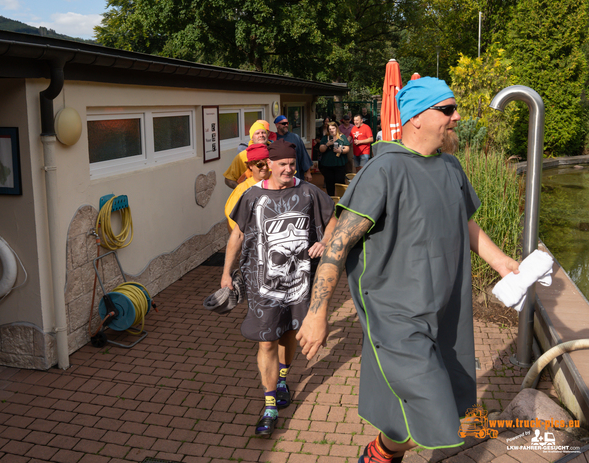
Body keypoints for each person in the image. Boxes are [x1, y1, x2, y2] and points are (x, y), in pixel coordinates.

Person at [296, 77, 520, 463]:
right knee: (441, 425)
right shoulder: (383, 171)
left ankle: (385, 452)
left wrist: (501, 263)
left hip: (446, 312)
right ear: (416, 118)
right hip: (398, 318)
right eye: (447, 109)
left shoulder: (450, 166)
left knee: (427, 409)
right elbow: (338, 243)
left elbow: (464, 221)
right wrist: (317, 315)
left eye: (454, 108)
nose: (457, 116)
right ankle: (381, 452)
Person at [222, 139, 337, 437]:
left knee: (288, 332)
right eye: (282, 164)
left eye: (292, 164)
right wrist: (226, 273)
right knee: (266, 341)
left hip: (299, 283)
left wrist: (324, 241)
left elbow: (334, 220)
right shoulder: (252, 196)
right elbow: (237, 236)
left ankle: (283, 378)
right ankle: (270, 406)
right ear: (268, 165)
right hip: (263, 286)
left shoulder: (309, 192)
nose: (288, 169)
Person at [224, 143, 270, 232]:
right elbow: (232, 224)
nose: (265, 167)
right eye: (260, 165)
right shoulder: (242, 190)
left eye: (267, 163)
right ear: (250, 165)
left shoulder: (278, 182)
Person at [224, 121, 269, 189]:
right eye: (257, 133)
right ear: (252, 138)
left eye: (263, 132)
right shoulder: (242, 156)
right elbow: (228, 179)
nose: (261, 135)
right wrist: (242, 190)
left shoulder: (275, 152)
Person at [274, 115, 313, 182]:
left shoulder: (295, 138)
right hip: (279, 176)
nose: (286, 125)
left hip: (295, 175)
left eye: (287, 123)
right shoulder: (273, 139)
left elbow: (303, 155)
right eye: (283, 123)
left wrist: (308, 172)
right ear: (277, 125)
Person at [318, 121, 349, 197]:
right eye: (330, 129)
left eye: (333, 128)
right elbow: (321, 149)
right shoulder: (325, 138)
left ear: (336, 128)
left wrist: (340, 150)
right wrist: (327, 144)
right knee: (329, 184)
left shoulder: (342, 137)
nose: (331, 130)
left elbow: (347, 148)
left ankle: (341, 200)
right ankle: (331, 199)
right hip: (328, 165)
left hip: (339, 164)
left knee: (340, 183)